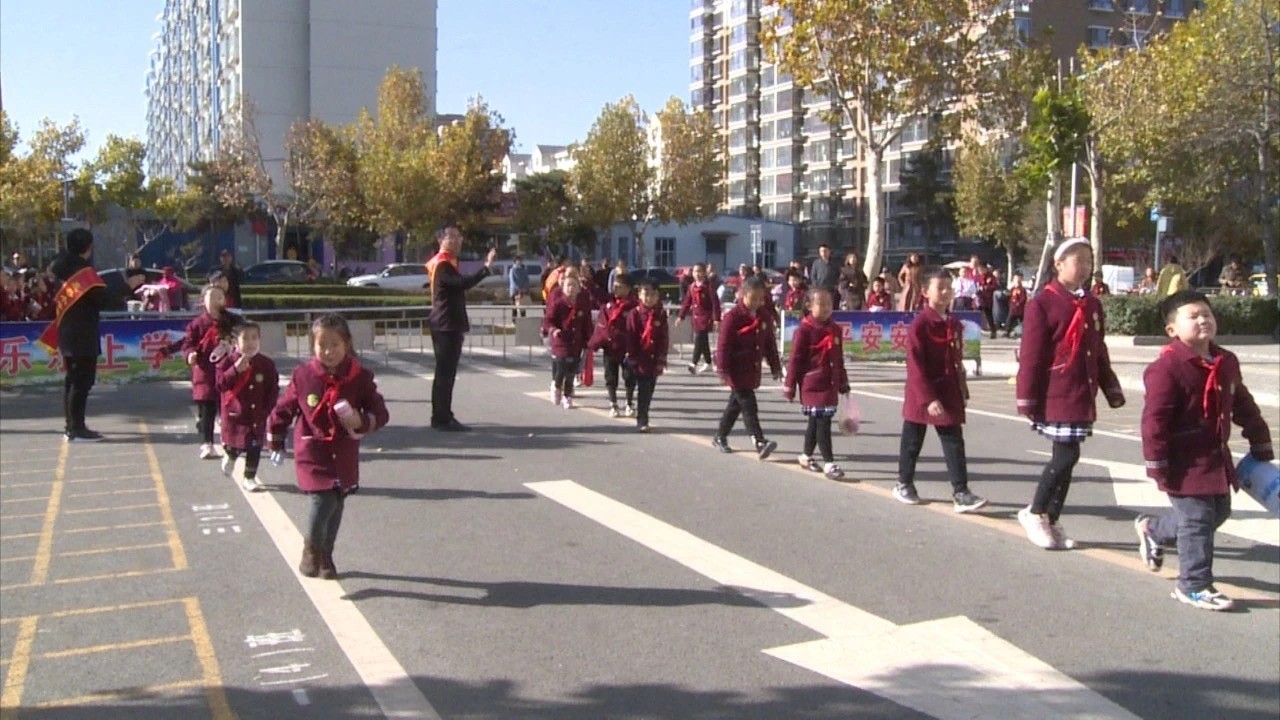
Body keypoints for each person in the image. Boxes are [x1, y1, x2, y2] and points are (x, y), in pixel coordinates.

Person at [1135, 291, 1273, 611]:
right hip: (1183, 461)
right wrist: (1157, 463)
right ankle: (1194, 584)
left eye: (1207, 314)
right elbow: (1153, 421)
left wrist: (1259, 439)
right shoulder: (1166, 367)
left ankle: (1153, 530)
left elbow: (1242, 403)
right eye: (1193, 316)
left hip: (1215, 459)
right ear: (1172, 330)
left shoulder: (1225, 361)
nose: (1203, 320)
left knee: (1218, 512)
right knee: (1196, 519)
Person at [1016, 238, 1125, 550]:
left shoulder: (1091, 304)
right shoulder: (1042, 303)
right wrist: (1027, 397)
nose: (1086, 267)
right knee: (1067, 455)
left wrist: (1111, 388)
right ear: (1058, 264)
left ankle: (1051, 517)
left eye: (1089, 261)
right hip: (1057, 391)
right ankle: (1035, 511)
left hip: (1082, 391)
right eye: (1078, 260)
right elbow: (1032, 355)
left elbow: (1098, 350)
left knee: (1068, 456)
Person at [268, 314, 389, 579]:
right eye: (322, 345)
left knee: (337, 503)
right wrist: (275, 440)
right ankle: (311, 548)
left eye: (335, 344)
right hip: (313, 452)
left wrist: (362, 420)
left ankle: (326, 556)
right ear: (312, 346)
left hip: (344, 453)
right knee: (322, 500)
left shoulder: (360, 377)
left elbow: (380, 412)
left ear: (347, 344)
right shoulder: (304, 376)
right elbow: (283, 410)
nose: (328, 351)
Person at [893, 269, 988, 512]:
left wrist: (962, 390)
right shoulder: (920, 325)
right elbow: (915, 366)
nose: (946, 293)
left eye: (949, 287)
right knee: (913, 441)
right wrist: (928, 397)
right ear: (925, 292)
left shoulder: (953, 323)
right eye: (940, 288)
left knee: (954, 441)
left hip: (948, 390)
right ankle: (904, 483)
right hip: (922, 392)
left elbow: (956, 361)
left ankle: (961, 492)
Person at [44, 229, 143, 441]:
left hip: (67, 331)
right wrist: (129, 287)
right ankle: (76, 428)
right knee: (82, 382)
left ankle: (71, 426)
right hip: (83, 333)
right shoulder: (84, 274)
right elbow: (105, 300)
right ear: (88, 248)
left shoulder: (60, 269)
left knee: (72, 380)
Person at [425, 226, 495, 431]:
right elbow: (461, 283)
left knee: (446, 373)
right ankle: (441, 418)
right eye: (451, 237)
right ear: (440, 240)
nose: (457, 241)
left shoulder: (448, 263)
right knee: (445, 374)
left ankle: (443, 415)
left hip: (449, 323)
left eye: (459, 237)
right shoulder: (442, 264)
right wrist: (485, 269)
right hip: (445, 324)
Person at [783, 287, 849, 480]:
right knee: (823, 423)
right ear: (809, 306)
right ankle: (829, 462)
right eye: (821, 304)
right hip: (812, 383)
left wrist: (843, 382)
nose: (827, 308)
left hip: (830, 383)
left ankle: (806, 455)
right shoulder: (804, 331)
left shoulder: (835, 329)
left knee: (815, 422)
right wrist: (790, 387)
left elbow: (839, 359)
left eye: (829, 303)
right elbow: (795, 360)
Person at [713, 276, 781, 459]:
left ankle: (720, 435)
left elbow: (770, 345)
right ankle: (759, 441)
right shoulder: (732, 317)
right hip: (736, 369)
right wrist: (722, 370)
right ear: (743, 295)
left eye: (761, 299)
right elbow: (723, 346)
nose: (757, 302)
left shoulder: (764, 316)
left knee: (735, 406)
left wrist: (776, 366)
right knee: (749, 405)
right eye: (753, 298)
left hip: (752, 368)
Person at [216, 321, 279, 492]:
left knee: (254, 446)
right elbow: (220, 384)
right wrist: (235, 370)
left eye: (254, 338)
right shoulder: (228, 361)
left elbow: (273, 389)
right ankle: (230, 455)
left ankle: (249, 477)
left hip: (257, 415)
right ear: (235, 342)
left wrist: (267, 409)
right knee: (234, 444)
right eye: (246, 338)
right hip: (235, 414)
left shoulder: (266, 364)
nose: (251, 342)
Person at [183, 285, 239, 459]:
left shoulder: (233, 320)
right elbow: (188, 343)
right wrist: (190, 354)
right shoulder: (197, 324)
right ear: (203, 301)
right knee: (207, 410)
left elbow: (244, 334)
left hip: (229, 371)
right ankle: (207, 443)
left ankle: (230, 440)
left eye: (219, 297)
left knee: (229, 409)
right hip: (205, 373)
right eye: (211, 297)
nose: (216, 301)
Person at [588, 273, 638, 417]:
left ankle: (629, 403)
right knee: (610, 377)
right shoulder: (609, 305)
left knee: (629, 377)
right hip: (610, 347)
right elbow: (602, 325)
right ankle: (613, 403)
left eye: (619, 287)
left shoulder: (634, 306)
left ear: (628, 289)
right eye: (614, 286)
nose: (615, 290)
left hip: (628, 347)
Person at [542, 271, 593, 409]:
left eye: (574, 285)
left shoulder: (582, 304)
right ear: (563, 288)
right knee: (560, 369)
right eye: (568, 285)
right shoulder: (558, 304)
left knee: (571, 372)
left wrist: (590, 339)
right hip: (560, 342)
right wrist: (554, 330)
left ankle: (568, 396)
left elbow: (587, 323)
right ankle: (557, 386)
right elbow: (548, 321)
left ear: (578, 288)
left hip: (576, 343)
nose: (571, 288)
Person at [624, 279, 669, 433]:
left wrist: (662, 358)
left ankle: (643, 415)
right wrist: (632, 357)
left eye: (653, 294)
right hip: (639, 356)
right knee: (638, 386)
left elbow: (664, 337)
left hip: (654, 357)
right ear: (639, 295)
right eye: (646, 294)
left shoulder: (661, 314)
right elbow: (631, 337)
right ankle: (639, 415)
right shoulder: (634, 314)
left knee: (649, 389)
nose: (649, 298)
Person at [676, 263, 720, 374]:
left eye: (700, 271)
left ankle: (693, 363)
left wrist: (716, 319)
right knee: (703, 341)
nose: (697, 274)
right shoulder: (692, 287)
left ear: (705, 273)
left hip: (706, 317)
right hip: (696, 318)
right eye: (695, 271)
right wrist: (681, 316)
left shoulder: (709, 286)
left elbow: (715, 303)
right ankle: (708, 362)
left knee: (698, 339)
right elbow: (687, 302)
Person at [976, 265, 999, 338]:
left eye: (982, 269)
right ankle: (976, 331)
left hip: (988, 299)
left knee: (989, 315)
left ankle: (993, 331)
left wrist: (986, 287)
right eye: (979, 270)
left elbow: (994, 286)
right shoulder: (978, 277)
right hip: (979, 298)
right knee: (977, 314)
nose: (980, 271)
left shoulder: (991, 277)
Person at [1005, 272, 1028, 338]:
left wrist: (1019, 303)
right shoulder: (1012, 289)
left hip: (1020, 308)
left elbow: (1023, 298)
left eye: (1019, 279)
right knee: (1010, 320)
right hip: (1013, 308)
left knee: (1023, 321)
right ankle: (1007, 331)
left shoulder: (1022, 289)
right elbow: (1009, 296)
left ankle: (1024, 332)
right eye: (1016, 279)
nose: (1017, 281)